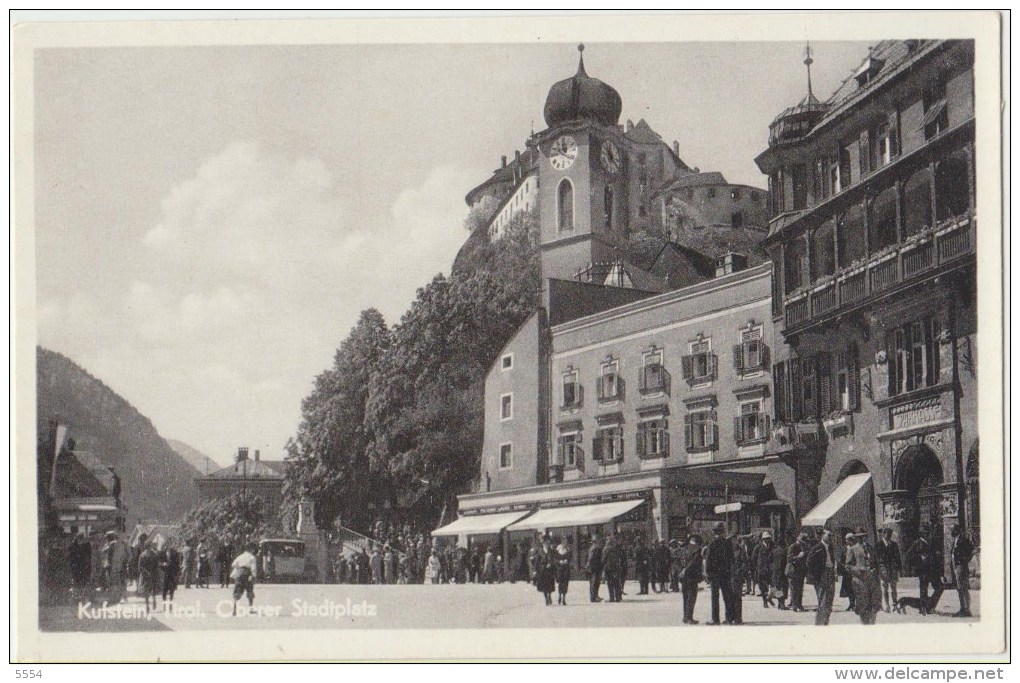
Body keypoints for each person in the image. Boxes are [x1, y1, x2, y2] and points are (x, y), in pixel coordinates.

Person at [844, 530, 880, 625]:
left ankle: (871, 624)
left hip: (871, 580)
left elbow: (876, 563)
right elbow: (847, 566)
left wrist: (874, 570)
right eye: (859, 536)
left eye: (864, 536)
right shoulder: (852, 549)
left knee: (873, 604)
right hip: (859, 581)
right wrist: (859, 569)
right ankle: (864, 624)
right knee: (862, 604)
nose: (862, 538)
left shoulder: (871, 548)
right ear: (856, 538)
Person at [704, 521, 736, 625]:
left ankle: (715, 619)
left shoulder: (712, 543)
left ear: (715, 532)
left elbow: (708, 560)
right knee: (727, 596)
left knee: (715, 597)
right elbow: (732, 559)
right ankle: (729, 618)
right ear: (723, 531)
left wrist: (707, 573)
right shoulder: (728, 543)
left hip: (714, 575)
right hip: (725, 574)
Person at [906, 525, 943, 615]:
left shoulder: (932, 543)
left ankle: (930, 605)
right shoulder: (916, 543)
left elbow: (937, 555)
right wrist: (919, 559)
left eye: (928, 533)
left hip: (934, 571)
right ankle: (923, 608)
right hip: (923, 571)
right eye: (926, 533)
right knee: (923, 589)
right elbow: (908, 556)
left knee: (940, 587)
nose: (928, 534)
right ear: (922, 534)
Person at [807, 528, 837, 625]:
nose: (830, 537)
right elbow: (809, 562)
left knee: (829, 600)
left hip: (830, 573)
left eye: (831, 535)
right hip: (822, 575)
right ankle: (820, 623)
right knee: (823, 601)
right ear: (823, 536)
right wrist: (817, 575)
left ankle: (825, 621)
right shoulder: (817, 547)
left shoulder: (830, 547)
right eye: (829, 535)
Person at [950, 524, 975, 617]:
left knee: (962, 588)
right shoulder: (956, 539)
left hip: (960, 566)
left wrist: (964, 560)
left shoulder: (963, 539)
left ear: (957, 530)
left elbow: (972, 550)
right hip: (956, 566)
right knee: (960, 588)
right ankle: (963, 609)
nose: (951, 532)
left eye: (952, 530)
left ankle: (966, 610)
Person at [678, 534, 703, 624]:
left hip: (683, 577)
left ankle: (685, 617)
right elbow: (694, 562)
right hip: (692, 576)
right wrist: (686, 570)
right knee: (691, 598)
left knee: (685, 597)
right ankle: (689, 617)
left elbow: (679, 561)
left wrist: (681, 571)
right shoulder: (696, 550)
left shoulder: (684, 549)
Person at [876, 527, 902, 612]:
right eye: (887, 534)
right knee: (885, 588)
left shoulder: (894, 545)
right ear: (883, 534)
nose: (889, 536)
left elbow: (898, 557)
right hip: (883, 569)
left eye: (890, 534)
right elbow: (876, 558)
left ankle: (894, 604)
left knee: (894, 588)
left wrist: (899, 569)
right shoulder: (879, 545)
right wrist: (878, 570)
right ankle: (887, 605)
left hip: (893, 569)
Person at [229, 542, 258, 616]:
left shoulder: (240, 556)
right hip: (247, 574)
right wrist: (253, 576)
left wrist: (239, 568)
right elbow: (253, 568)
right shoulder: (252, 557)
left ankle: (234, 610)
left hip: (239, 573)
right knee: (250, 591)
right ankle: (251, 608)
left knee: (237, 592)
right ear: (252, 549)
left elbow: (233, 564)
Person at [101, 530, 128, 604]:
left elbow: (105, 554)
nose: (106, 539)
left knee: (113, 583)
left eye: (107, 537)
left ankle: (115, 598)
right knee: (115, 583)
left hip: (112, 566)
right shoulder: (110, 544)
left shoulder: (112, 545)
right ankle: (116, 598)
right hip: (114, 566)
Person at [786, 532, 810, 612]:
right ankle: (795, 606)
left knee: (800, 589)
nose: (804, 543)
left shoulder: (805, 547)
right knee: (793, 589)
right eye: (802, 541)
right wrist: (798, 557)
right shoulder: (792, 546)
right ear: (798, 539)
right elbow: (789, 559)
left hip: (800, 571)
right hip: (792, 571)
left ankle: (799, 605)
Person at [751, 531, 776, 608]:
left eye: (768, 539)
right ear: (762, 539)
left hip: (771, 570)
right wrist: (755, 569)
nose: (767, 540)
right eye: (765, 539)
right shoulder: (758, 547)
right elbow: (753, 559)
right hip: (761, 570)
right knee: (763, 588)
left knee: (774, 587)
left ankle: (770, 598)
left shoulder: (773, 546)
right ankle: (765, 601)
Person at [136, 535, 159, 612]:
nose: (151, 547)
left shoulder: (154, 555)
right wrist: (146, 573)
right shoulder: (142, 555)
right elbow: (140, 567)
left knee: (153, 590)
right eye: (150, 546)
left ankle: (154, 600)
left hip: (153, 575)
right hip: (145, 576)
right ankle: (147, 605)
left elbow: (156, 566)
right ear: (147, 546)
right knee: (146, 592)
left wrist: (156, 574)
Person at [729, 533, 748, 625]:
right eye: (732, 540)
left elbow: (745, 562)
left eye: (735, 539)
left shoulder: (741, 550)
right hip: (728, 577)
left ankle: (738, 618)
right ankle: (729, 617)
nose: (733, 541)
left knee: (737, 597)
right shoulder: (726, 550)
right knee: (729, 598)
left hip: (737, 576)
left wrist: (740, 571)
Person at [602, 535, 627, 603]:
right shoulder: (616, 548)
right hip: (616, 568)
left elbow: (603, 559)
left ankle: (611, 598)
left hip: (609, 568)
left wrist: (602, 567)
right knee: (616, 583)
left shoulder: (606, 549)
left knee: (610, 583)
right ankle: (618, 597)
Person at [158, 537, 182, 608]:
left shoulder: (175, 552)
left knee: (172, 589)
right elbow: (159, 563)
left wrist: (177, 573)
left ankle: (171, 603)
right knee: (164, 589)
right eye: (167, 543)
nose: (168, 545)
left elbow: (178, 563)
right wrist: (163, 564)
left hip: (172, 573)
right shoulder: (161, 553)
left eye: (169, 543)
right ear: (165, 544)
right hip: (164, 573)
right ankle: (164, 604)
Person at [69, 532, 92, 601]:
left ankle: (81, 596)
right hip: (80, 567)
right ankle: (80, 596)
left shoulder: (85, 545)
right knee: (80, 582)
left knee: (81, 582)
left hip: (82, 567)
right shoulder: (78, 546)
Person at [536, 535, 557, 606]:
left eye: (548, 543)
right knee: (544, 585)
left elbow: (554, 559)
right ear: (543, 543)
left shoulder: (551, 551)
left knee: (550, 584)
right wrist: (535, 570)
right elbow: (537, 561)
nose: (547, 544)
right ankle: (546, 598)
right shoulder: (540, 551)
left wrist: (551, 564)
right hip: (542, 570)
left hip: (550, 570)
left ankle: (549, 595)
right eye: (545, 543)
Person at [585, 534, 604, 602]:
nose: (600, 542)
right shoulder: (594, 548)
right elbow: (590, 559)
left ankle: (595, 596)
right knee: (594, 583)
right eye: (598, 540)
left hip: (595, 568)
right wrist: (588, 566)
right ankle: (594, 597)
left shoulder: (594, 548)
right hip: (594, 568)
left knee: (596, 583)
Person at [554, 537, 572, 605]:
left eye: (566, 542)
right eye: (564, 542)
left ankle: (564, 597)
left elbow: (570, 558)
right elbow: (555, 559)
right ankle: (559, 596)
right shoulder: (558, 550)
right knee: (560, 583)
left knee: (565, 583)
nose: (565, 543)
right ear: (562, 542)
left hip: (566, 568)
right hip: (560, 569)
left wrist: (567, 560)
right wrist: (559, 561)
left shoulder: (568, 549)